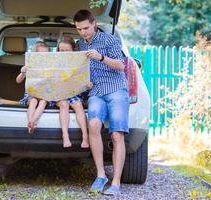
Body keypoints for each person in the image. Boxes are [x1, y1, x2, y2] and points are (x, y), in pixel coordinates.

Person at [73, 10, 129, 196]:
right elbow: (78, 71)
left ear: (94, 24)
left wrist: (101, 57)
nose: (83, 32)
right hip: (96, 92)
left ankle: (116, 183)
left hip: (116, 89)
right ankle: (101, 175)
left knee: (116, 135)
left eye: (86, 28)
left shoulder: (110, 40)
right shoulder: (79, 44)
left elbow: (121, 66)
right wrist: (84, 82)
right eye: (79, 29)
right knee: (94, 125)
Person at [55, 36, 89, 148]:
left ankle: (85, 136)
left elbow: (83, 79)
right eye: (61, 51)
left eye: (67, 51)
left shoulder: (78, 63)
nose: (64, 53)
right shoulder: (54, 62)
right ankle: (65, 135)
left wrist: (87, 84)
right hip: (58, 93)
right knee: (64, 105)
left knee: (78, 105)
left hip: (74, 92)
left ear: (74, 50)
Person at [16, 41, 50, 134]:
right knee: (34, 101)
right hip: (31, 94)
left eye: (46, 55)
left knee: (43, 102)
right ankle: (30, 122)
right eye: (40, 54)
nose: (43, 57)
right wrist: (23, 72)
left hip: (44, 95)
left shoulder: (49, 67)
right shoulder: (29, 66)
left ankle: (32, 121)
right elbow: (18, 81)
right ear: (34, 55)